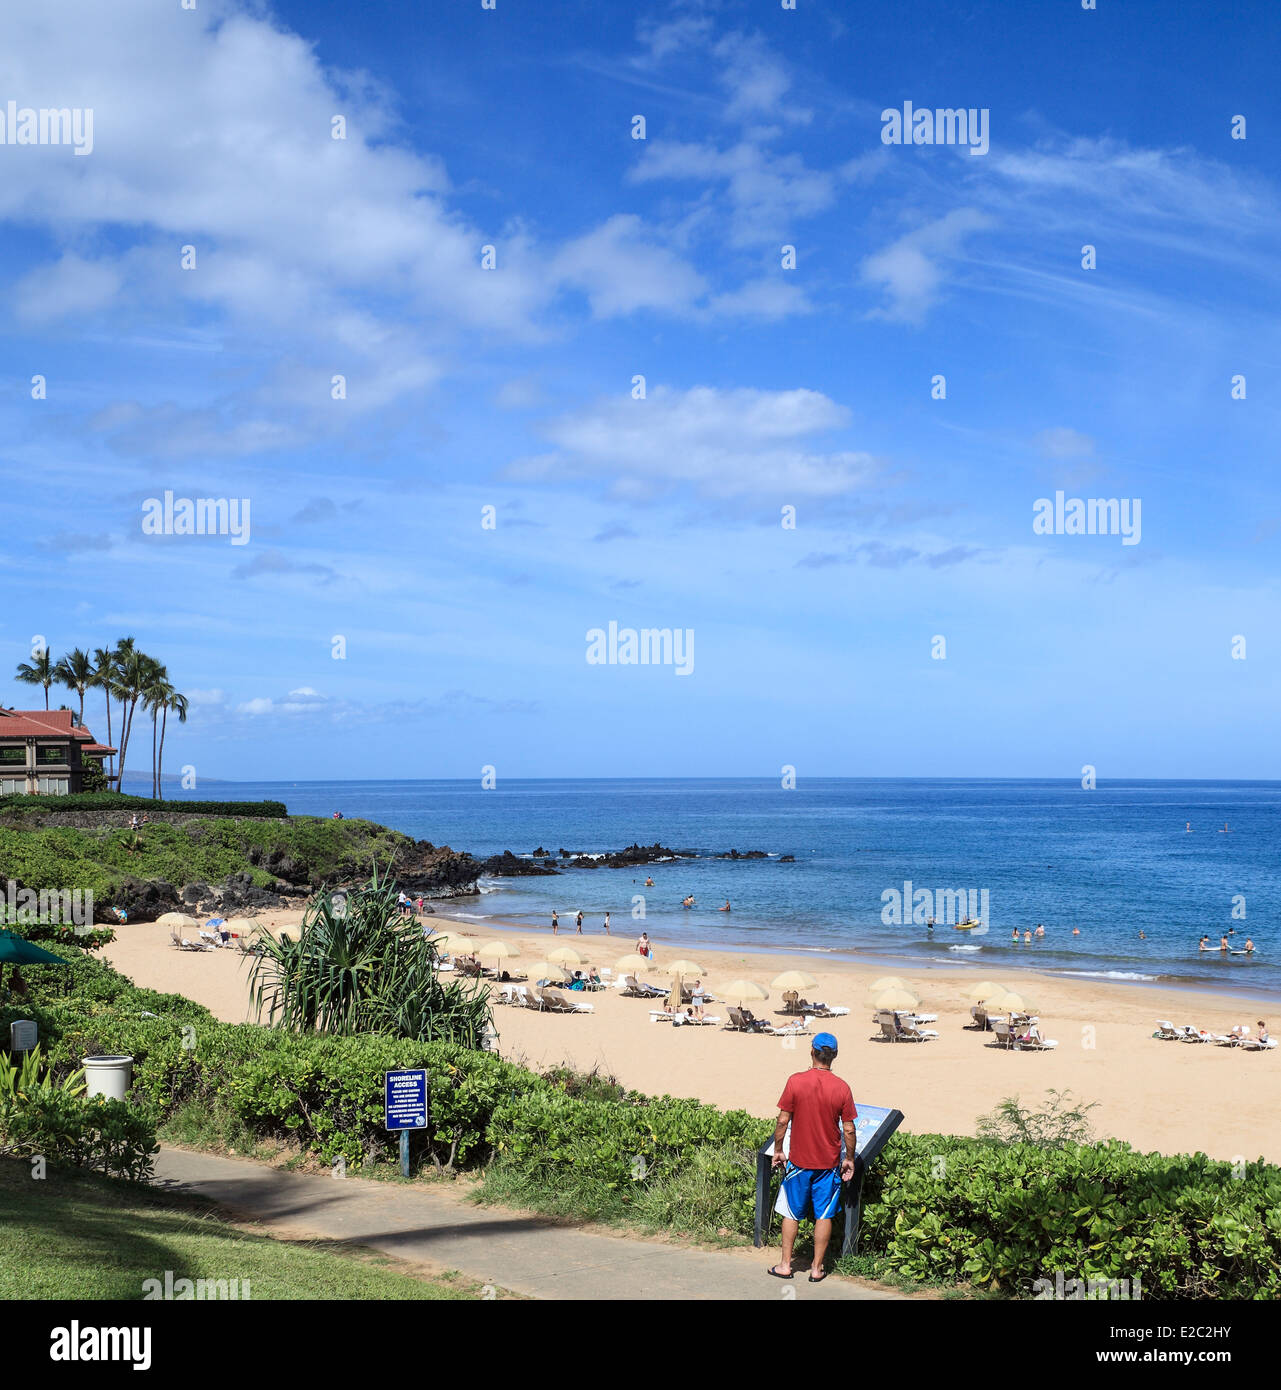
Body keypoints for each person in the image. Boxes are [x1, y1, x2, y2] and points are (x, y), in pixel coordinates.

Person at [768, 1033, 856, 1284]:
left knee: (791, 1213)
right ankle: (816, 1269)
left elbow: (783, 1120)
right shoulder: (842, 1087)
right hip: (828, 1165)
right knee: (824, 1215)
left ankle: (786, 1265)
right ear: (835, 1056)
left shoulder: (795, 1081)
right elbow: (849, 1129)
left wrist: (778, 1149)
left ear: (811, 1052)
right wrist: (848, 1158)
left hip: (798, 1163)